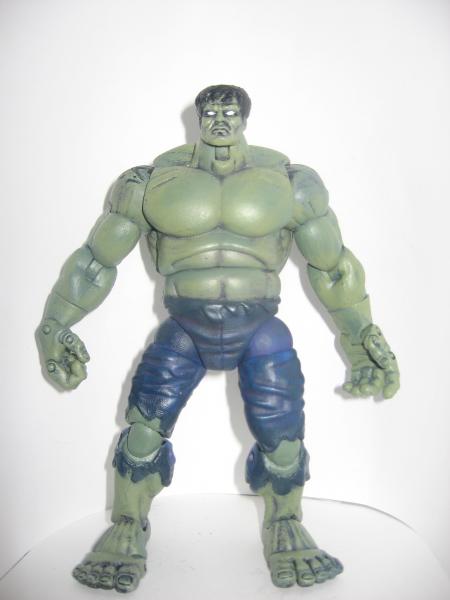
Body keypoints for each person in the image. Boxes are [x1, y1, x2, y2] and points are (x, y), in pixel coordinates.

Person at [37, 84, 399, 592]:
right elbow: (95, 262)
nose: (220, 120)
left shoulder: (290, 182)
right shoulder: (149, 182)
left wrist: (360, 335)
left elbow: (333, 266)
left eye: (230, 111)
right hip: (186, 325)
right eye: (211, 112)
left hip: (260, 327)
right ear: (199, 118)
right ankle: (127, 527)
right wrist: (56, 324)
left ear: (245, 118)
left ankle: (286, 525)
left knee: (283, 437)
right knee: (143, 431)